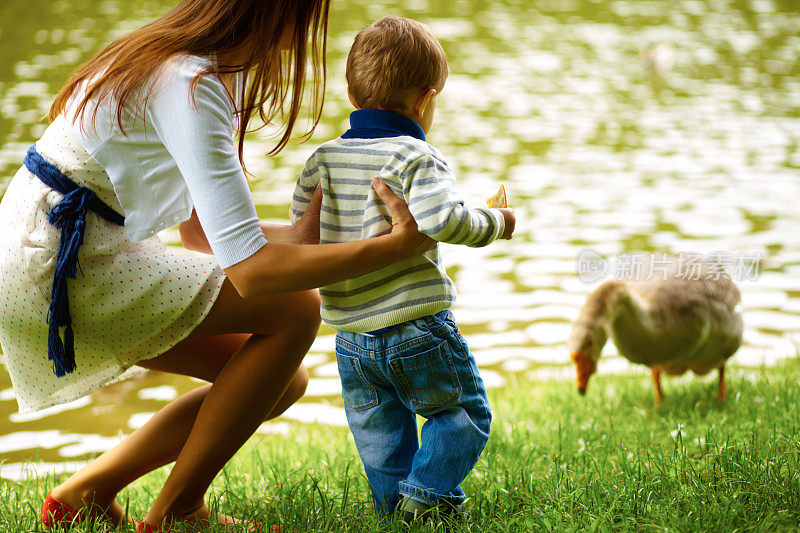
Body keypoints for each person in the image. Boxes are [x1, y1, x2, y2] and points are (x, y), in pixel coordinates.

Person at [0, 2, 434, 531]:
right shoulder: (191, 84)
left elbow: (201, 236)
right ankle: (178, 512)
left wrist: (307, 236)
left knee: (281, 381)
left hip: (39, 255)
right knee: (297, 310)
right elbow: (252, 274)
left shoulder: (172, 61)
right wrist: (391, 249)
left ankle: (85, 492)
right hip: (61, 267)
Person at [289, 16, 516, 521]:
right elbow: (441, 219)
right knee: (462, 414)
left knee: (380, 434)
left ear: (352, 93)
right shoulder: (417, 156)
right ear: (424, 100)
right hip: (416, 325)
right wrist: (497, 220)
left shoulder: (321, 160)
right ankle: (426, 495)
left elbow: (301, 237)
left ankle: (399, 511)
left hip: (351, 337)